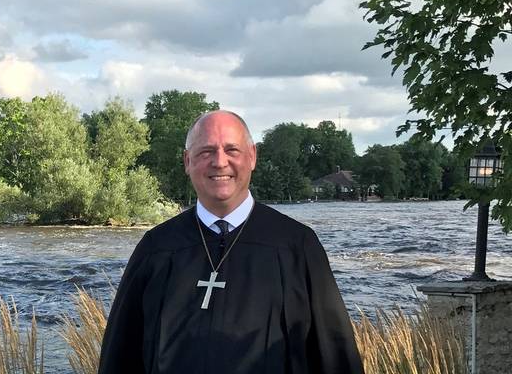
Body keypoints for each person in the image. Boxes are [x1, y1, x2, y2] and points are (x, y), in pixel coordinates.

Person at [98, 110, 363, 374]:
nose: (219, 162)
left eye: (232, 150)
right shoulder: (156, 247)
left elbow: (334, 355)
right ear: (187, 161)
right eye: (206, 152)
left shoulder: (296, 246)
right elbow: (120, 355)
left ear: (252, 157)